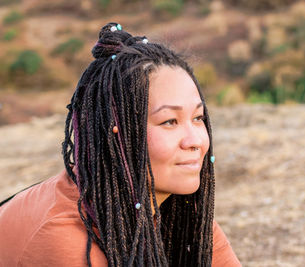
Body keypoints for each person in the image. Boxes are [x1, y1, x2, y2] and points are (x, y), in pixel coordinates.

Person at [0, 23, 241, 266]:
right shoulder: (69, 242)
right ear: (117, 132)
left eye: (198, 118)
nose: (195, 141)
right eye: (170, 121)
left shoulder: (174, 206)